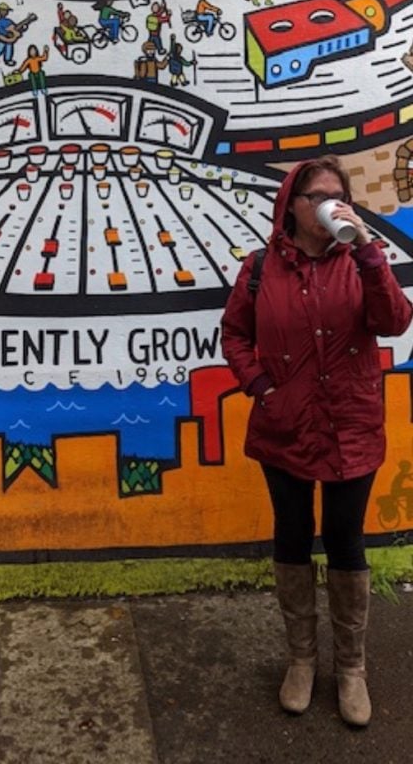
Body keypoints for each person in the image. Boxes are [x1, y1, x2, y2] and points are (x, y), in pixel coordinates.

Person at [221, 155, 412, 728]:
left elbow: (396, 321)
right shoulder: (259, 269)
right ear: (292, 208)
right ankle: (302, 660)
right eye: (318, 196)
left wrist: (369, 255)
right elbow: (234, 334)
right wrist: (260, 387)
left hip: (351, 426)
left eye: (339, 195)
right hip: (285, 426)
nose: (331, 205)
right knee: (293, 536)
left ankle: (350, 669)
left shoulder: (362, 263)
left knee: (347, 542)